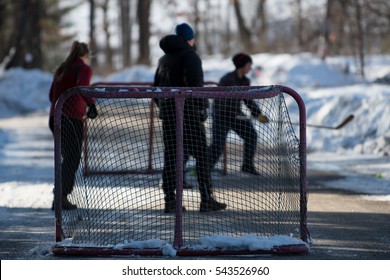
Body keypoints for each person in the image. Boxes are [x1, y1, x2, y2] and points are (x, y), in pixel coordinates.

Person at [154, 23, 226, 213]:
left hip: (169, 117)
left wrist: (164, 108)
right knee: (201, 156)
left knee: (171, 157)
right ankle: (206, 198)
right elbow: (195, 87)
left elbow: (156, 90)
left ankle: (170, 201)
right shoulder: (190, 56)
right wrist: (201, 108)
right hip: (189, 116)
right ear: (189, 39)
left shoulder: (163, 59)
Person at [49, 41, 97, 210]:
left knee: (67, 158)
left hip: (55, 117)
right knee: (72, 158)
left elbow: (51, 95)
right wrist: (91, 104)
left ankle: (60, 195)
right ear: (86, 55)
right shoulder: (84, 68)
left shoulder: (63, 68)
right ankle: (61, 196)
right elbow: (82, 87)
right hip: (71, 118)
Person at [208, 53, 268, 175]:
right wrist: (228, 113)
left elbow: (247, 100)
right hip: (221, 116)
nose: (250, 68)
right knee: (218, 145)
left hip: (236, 115)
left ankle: (247, 165)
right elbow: (219, 100)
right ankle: (204, 168)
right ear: (242, 65)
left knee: (251, 135)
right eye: (249, 65)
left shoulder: (245, 81)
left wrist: (258, 115)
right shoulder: (227, 79)